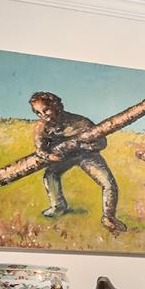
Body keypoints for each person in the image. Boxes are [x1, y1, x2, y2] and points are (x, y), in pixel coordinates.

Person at [29, 91, 127, 233]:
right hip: (64, 157)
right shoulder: (41, 127)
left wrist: (83, 146)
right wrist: (49, 156)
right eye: (38, 112)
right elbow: (39, 149)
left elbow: (101, 142)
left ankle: (109, 217)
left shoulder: (80, 122)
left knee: (108, 183)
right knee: (50, 175)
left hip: (87, 155)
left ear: (56, 106)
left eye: (46, 109)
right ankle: (58, 207)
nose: (43, 115)